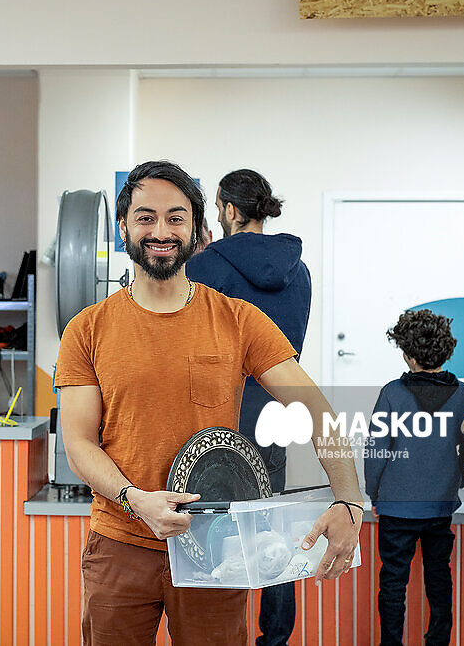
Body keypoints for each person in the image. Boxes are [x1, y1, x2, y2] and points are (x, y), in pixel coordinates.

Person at [55, 160, 362, 646]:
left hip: (218, 546)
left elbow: (316, 410)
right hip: (120, 542)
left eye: (176, 218)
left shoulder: (239, 320)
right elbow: (78, 443)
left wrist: (349, 499)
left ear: (199, 229)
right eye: (146, 217)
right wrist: (135, 500)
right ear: (123, 228)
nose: (161, 231)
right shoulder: (87, 329)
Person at [185, 168, 312, 646]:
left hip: (216, 421)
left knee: (213, 533)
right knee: (271, 530)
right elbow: (288, 351)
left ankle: (221, 635)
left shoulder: (205, 268)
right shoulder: (299, 271)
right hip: (275, 416)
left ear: (230, 210)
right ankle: (275, 639)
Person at [364, 309, 464, 646]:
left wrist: (375, 494)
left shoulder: (392, 393)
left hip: (395, 506)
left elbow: (376, 451)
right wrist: (456, 481)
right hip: (440, 506)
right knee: (439, 579)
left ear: (409, 355)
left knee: (393, 583)